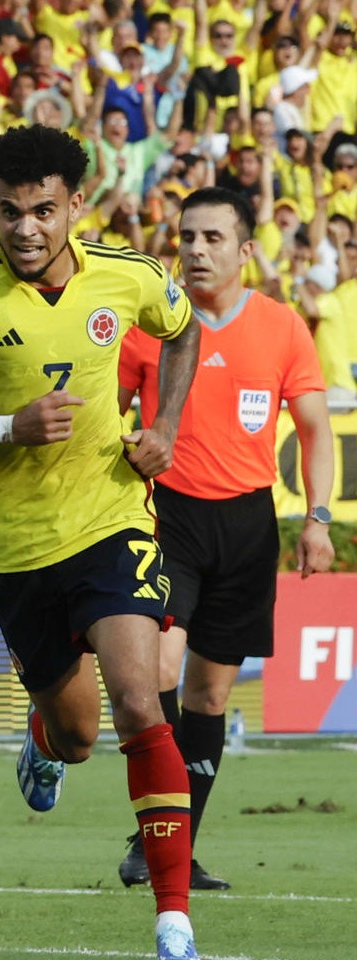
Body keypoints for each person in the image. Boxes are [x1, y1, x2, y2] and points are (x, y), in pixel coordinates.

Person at [0, 124, 205, 960]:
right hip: (18, 544)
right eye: (9, 211)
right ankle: (42, 738)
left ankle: (174, 923)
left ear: (75, 206)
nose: (26, 228)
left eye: (43, 211)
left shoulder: (128, 274)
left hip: (112, 521)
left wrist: (166, 425)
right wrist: (3, 427)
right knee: (78, 735)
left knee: (139, 698)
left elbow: (184, 330)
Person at [113, 187, 335, 891]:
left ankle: (169, 849)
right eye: (187, 237)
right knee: (158, 671)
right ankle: (156, 831)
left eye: (212, 238)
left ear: (246, 251)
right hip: (167, 518)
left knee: (210, 699)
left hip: (247, 527)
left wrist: (319, 518)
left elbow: (315, 430)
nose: (196, 250)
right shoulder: (149, 327)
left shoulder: (282, 326)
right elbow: (105, 419)